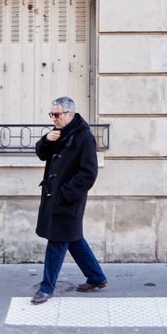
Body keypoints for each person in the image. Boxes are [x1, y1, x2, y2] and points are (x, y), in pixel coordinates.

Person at [31, 96, 107, 304]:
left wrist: (66, 193)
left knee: (56, 241)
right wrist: (46, 140)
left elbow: (88, 173)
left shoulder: (84, 137)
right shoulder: (58, 132)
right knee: (73, 239)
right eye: (52, 114)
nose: (54, 118)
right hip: (54, 197)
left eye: (57, 114)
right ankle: (96, 277)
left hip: (68, 200)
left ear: (70, 114)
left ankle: (46, 288)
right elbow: (41, 154)